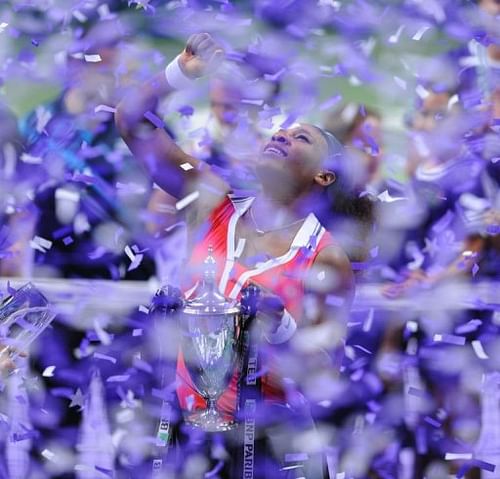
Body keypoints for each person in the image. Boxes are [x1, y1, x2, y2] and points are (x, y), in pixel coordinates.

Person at [116, 33, 354, 478]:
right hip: (187, 433)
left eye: (299, 137)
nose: (281, 137)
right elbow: (131, 121)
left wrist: (280, 327)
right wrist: (180, 72)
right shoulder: (210, 201)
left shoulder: (324, 255)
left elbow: (326, 373)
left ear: (324, 175)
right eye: (280, 131)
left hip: (269, 447)